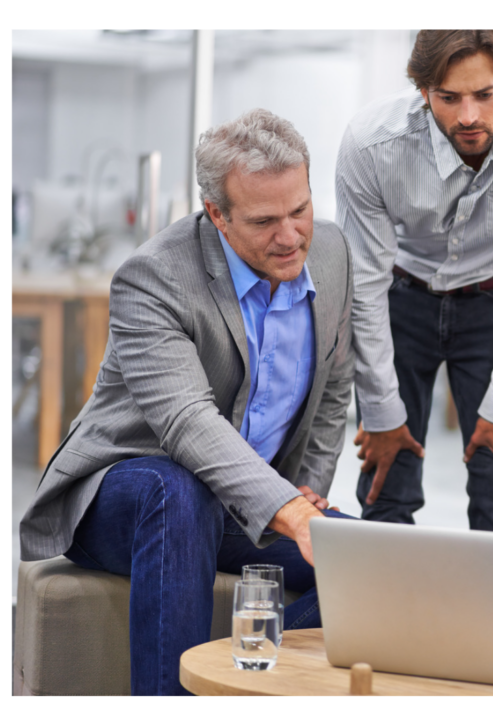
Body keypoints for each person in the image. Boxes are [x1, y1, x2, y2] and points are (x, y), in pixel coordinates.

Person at [19, 108, 357, 696]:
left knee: (369, 563)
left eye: (299, 209)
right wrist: (291, 513)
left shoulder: (329, 251)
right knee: (175, 490)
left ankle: (230, 680)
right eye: (264, 220)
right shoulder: (153, 278)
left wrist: (305, 490)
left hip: (241, 500)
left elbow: (334, 384)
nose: (290, 235)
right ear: (219, 217)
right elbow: (187, 422)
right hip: (124, 493)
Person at [335, 30, 493, 532]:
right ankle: (385, 611)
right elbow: (363, 285)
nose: (468, 116)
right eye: (448, 98)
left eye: (485, 95)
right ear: (423, 91)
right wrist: (383, 411)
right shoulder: (372, 142)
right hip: (400, 296)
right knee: (386, 487)